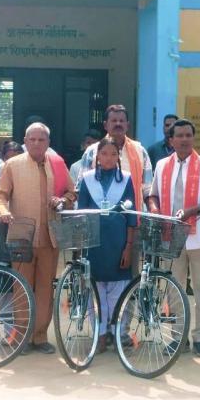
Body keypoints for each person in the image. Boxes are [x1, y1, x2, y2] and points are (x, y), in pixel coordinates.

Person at [0, 123, 75, 354]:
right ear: (25, 141)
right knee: (21, 287)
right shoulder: (12, 165)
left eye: (41, 140)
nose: (37, 143)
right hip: (22, 237)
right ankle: (21, 337)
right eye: (32, 139)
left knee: (45, 289)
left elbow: (72, 192)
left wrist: (62, 201)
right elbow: (0, 196)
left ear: (48, 142)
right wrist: (3, 211)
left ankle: (40, 337)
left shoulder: (57, 163)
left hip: (50, 237)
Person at [147, 118, 200, 357]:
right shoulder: (162, 165)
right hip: (171, 236)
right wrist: (155, 210)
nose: (184, 139)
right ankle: (178, 337)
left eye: (188, 135)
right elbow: (153, 195)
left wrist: (191, 211)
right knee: (173, 289)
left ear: (193, 138)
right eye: (179, 136)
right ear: (171, 140)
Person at [76, 138, 137, 353]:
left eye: (113, 154)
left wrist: (128, 247)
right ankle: (100, 334)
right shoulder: (87, 180)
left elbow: (131, 217)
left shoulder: (126, 180)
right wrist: (80, 247)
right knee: (95, 290)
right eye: (104, 154)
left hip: (118, 242)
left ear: (118, 157)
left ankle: (117, 332)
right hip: (93, 243)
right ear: (97, 156)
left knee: (118, 292)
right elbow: (81, 214)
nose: (108, 158)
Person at [79, 105, 153, 275]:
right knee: (94, 277)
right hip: (95, 229)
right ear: (105, 124)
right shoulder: (92, 151)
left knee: (129, 274)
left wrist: (152, 211)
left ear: (128, 125)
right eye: (114, 120)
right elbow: (80, 188)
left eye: (121, 121)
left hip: (131, 225)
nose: (118, 124)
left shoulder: (140, 151)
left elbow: (147, 189)